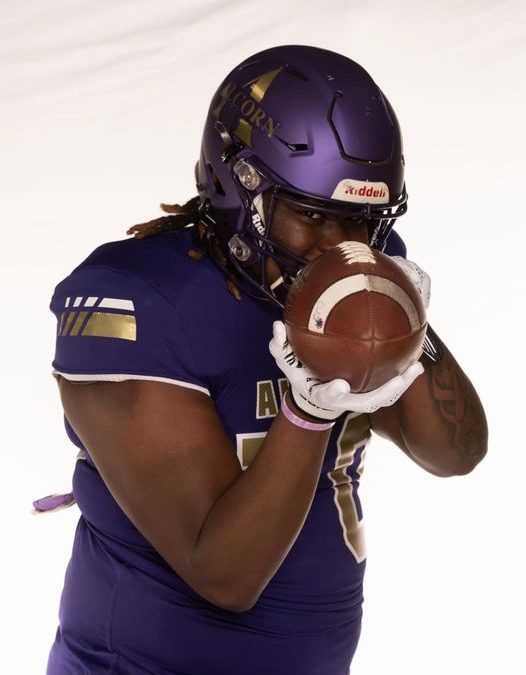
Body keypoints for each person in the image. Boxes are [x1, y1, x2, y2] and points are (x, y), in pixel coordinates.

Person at [44, 45, 488, 674]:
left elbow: (455, 453)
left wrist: (406, 327)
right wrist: (307, 413)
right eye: (312, 214)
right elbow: (224, 576)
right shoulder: (137, 298)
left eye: (362, 220)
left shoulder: (358, 266)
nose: (341, 247)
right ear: (238, 184)